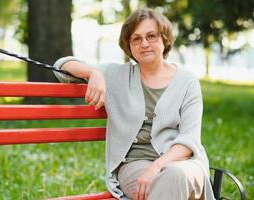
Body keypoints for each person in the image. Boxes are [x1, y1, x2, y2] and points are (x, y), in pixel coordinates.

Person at [52, 7, 215, 200]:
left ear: (165, 39)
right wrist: (92, 73)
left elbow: (189, 141)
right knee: (169, 184)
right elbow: (60, 67)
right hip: (134, 165)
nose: (144, 43)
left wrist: (156, 167)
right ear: (129, 45)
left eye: (151, 36)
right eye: (136, 38)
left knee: (176, 176)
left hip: (182, 163)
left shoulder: (187, 81)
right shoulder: (116, 75)